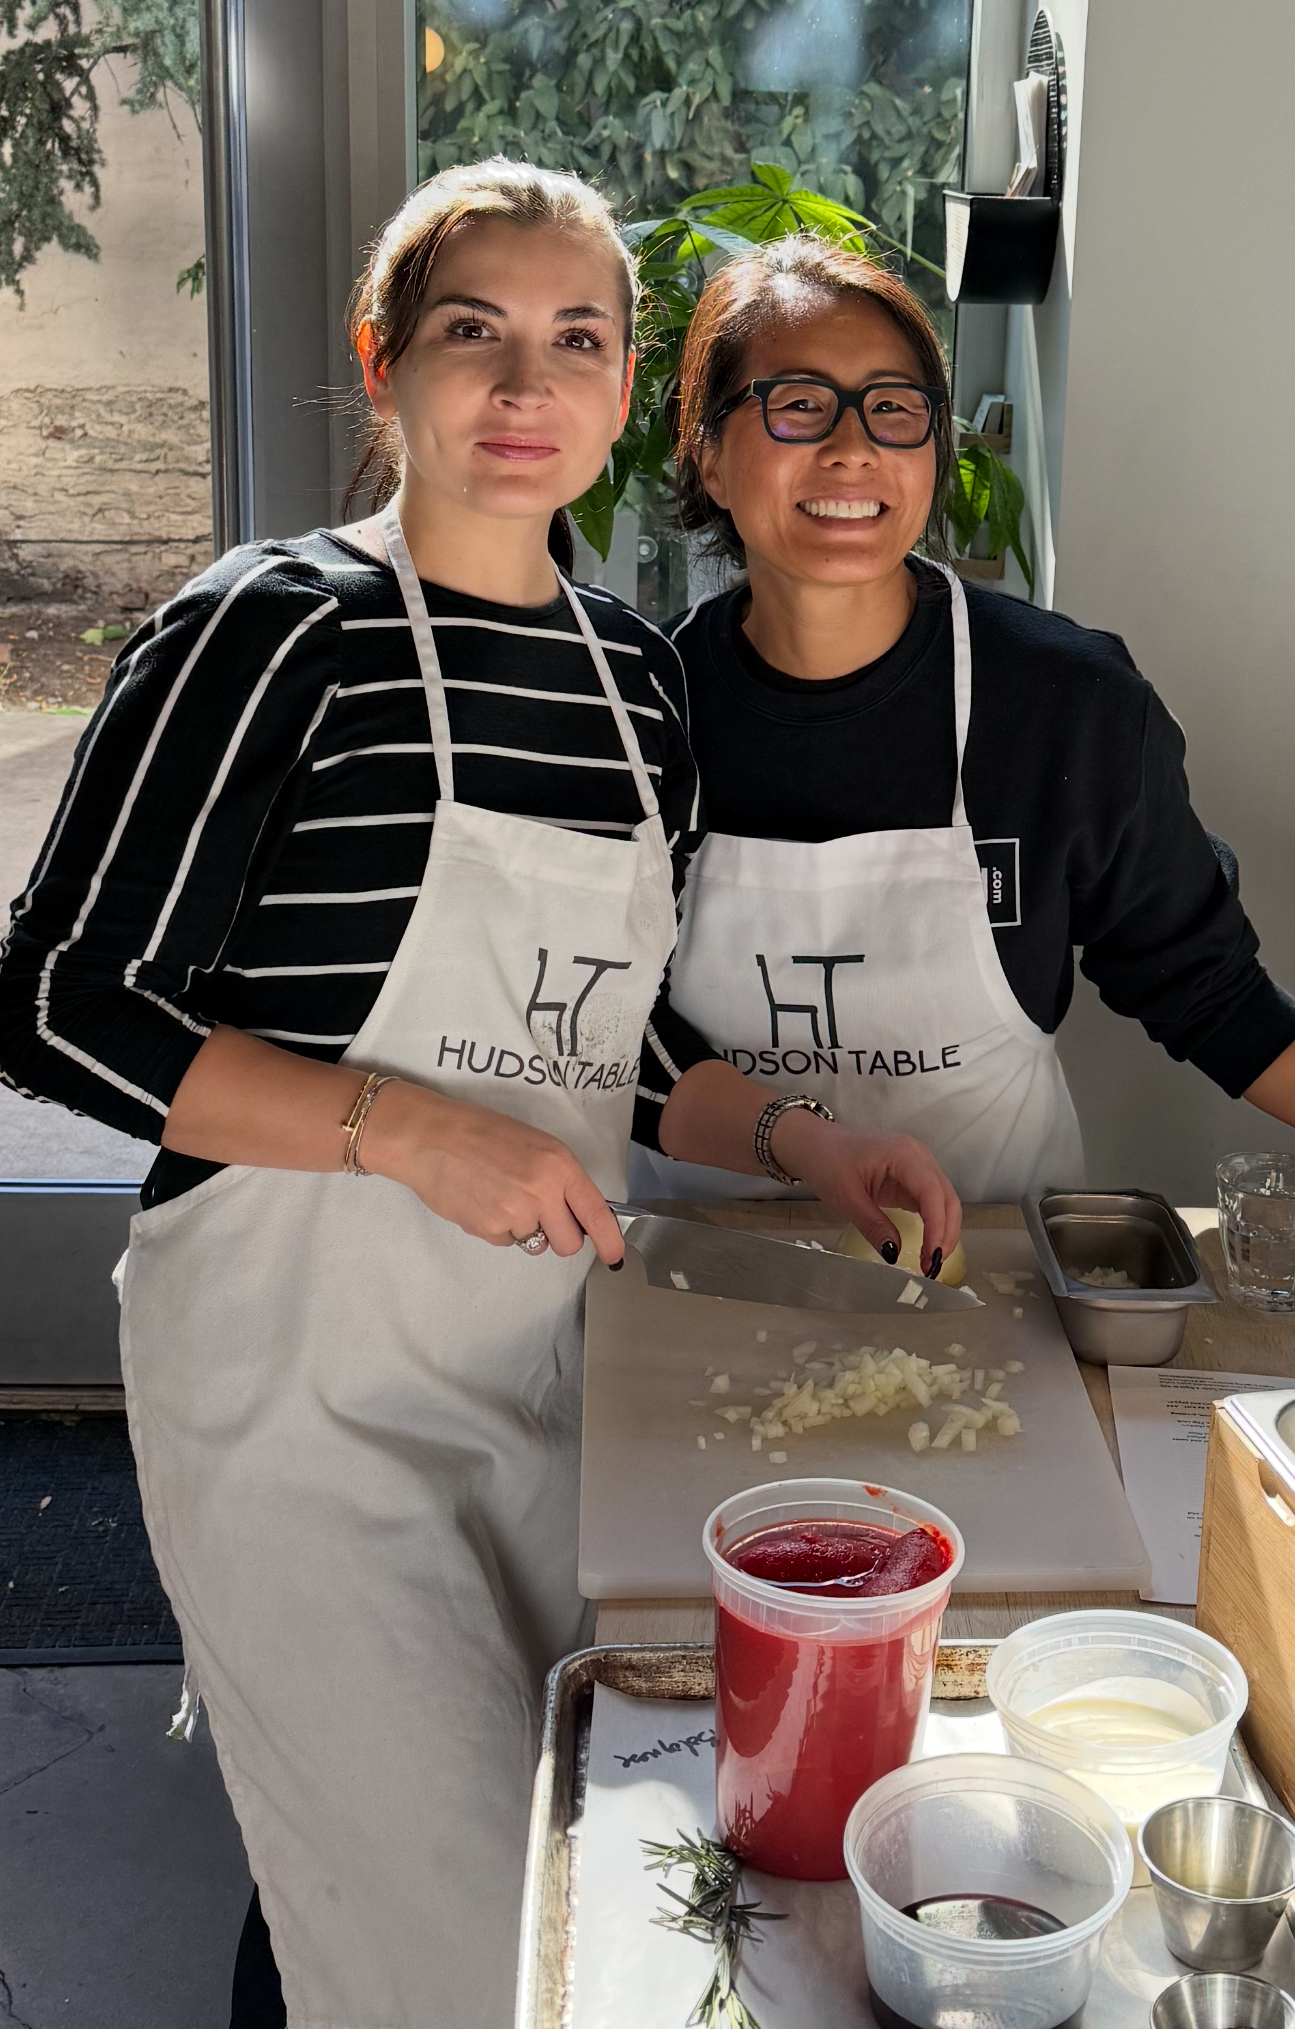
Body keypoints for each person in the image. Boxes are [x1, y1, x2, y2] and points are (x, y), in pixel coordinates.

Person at [0, 167, 958, 2028]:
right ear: (384, 365)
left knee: (484, 1859)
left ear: (623, 398)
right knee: (443, 1934)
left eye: (577, 341)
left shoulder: (630, 686)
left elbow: (609, 1033)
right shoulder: (269, 626)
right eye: (473, 332)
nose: (526, 382)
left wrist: (804, 1139)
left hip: (530, 1382)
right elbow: (49, 1001)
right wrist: (405, 1126)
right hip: (297, 1401)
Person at [630, 235, 1295, 1205]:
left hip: (986, 1296)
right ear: (702, 449)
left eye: (894, 408)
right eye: (797, 404)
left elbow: (1213, 995)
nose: (852, 446)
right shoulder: (635, 711)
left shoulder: (1066, 706)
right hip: (696, 1283)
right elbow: (609, 1031)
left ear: (936, 449)